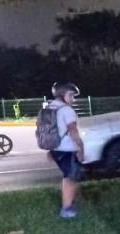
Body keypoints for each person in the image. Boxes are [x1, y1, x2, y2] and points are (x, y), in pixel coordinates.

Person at [47, 81, 84, 219]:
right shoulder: (67, 110)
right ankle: (67, 209)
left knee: (68, 176)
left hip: (55, 149)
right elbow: (73, 131)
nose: (73, 99)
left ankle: (68, 202)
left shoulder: (50, 108)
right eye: (71, 95)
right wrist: (81, 148)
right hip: (67, 149)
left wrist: (50, 149)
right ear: (62, 94)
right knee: (71, 178)